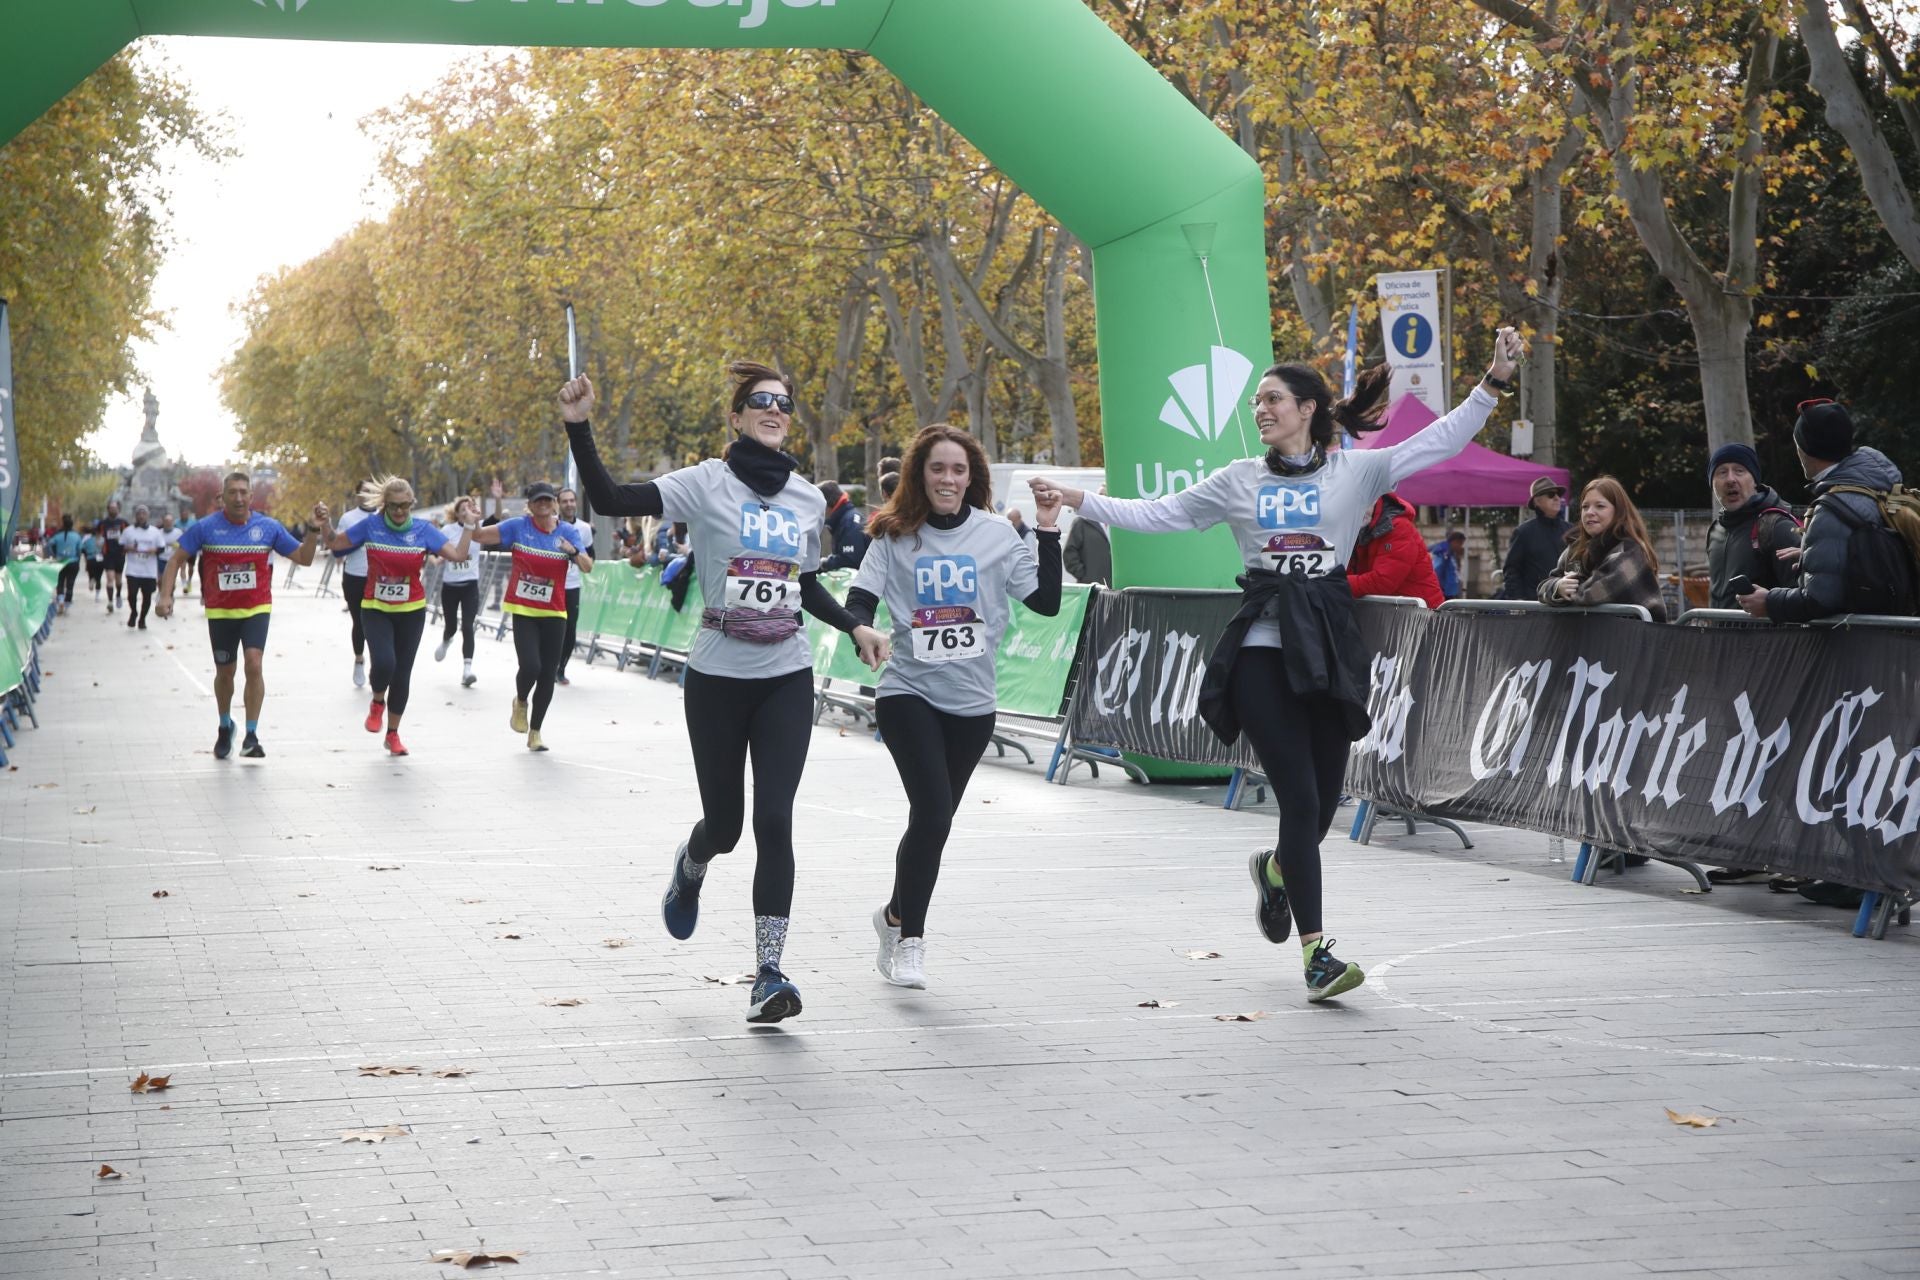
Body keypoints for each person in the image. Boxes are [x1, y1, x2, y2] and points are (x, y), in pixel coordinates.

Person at [1032, 326, 1524, 1002]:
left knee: (1320, 808)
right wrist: (1077, 499)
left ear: (1308, 409)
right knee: (1296, 797)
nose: (1260, 410)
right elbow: (1156, 513)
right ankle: (1317, 957)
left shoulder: (1358, 472)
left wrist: (1491, 384)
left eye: (1273, 399)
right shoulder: (1237, 480)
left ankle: (1275, 872)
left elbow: (1435, 442)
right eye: (1257, 402)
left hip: (1325, 649)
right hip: (1262, 654)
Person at [561, 360, 888, 1024]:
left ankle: (769, 973)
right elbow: (615, 499)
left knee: (774, 819)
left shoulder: (805, 497)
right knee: (728, 827)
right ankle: (691, 862)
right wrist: (579, 426)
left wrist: (855, 626)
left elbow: (801, 584)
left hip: (785, 673)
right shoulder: (704, 482)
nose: (775, 410)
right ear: (736, 417)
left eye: (785, 403)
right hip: (715, 676)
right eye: (760, 401)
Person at [849, 426, 1061, 989]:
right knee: (933, 813)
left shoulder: (995, 533)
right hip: (907, 692)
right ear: (920, 474)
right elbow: (861, 596)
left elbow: (1044, 600)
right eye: (938, 469)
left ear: (973, 478)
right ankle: (911, 941)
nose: (948, 479)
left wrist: (1046, 529)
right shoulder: (893, 535)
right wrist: (863, 627)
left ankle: (892, 914)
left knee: (934, 825)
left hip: (973, 703)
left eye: (959, 470)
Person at [155, 471, 330, 759]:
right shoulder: (206, 528)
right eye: (232, 492)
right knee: (225, 673)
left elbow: (305, 558)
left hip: (256, 608)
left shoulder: (268, 527)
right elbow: (175, 560)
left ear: (251, 496)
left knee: (254, 663)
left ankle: (251, 734)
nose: (238, 497)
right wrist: (165, 596)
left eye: (242, 492)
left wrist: (312, 530)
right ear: (222, 497)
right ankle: (225, 726)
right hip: (220, 611)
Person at [329, 477, 474, 756]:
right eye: (394, 506)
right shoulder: (371, 525)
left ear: (412, 504)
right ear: (384, 504)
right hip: (375, 608)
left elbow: (457, 554)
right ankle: (376, 702)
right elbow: (337, 545)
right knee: (385, 663)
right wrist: (322, 525)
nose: (399, 512)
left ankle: (392, 734)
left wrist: (468, 526)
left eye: (405, 506)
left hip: (411, 611)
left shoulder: (422, 530)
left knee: (402, 673)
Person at [1739, 400, 1911, 622]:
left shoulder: (1832, 509)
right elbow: (1877, 556)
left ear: (1806, 450)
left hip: (1861, 647)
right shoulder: (1878, 485)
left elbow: (1820, 600)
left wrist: (1769, 601)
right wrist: (1817, 555)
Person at [467, 483, 590, 751]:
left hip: (555, 611)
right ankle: (521, 700)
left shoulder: (568, 531)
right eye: (538, 501)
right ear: (530, 505)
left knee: (548, 674)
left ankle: (535, 732)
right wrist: (472, 521)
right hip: (523, 609)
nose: (543, 505)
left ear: (555, 503)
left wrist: (572, 552)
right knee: (531, 666)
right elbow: (478, 537)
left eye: (548, 500)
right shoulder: (518, 527)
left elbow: (588, 566)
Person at [1538, 476, 1668, 622]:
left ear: (1618, 512)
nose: (1589, 512)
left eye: (1600, 506)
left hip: (1634, 639)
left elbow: (1591, 594)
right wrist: (1557, 587)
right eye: (1585, 507)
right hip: (1590, 640)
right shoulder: (1576, 550)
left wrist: (1561, 592)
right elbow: (1545, 586)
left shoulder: (1629, 550)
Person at [1705, 443, 1801, 610]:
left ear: (1755, 480)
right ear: (1712, 484)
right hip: (1718, 636)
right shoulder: (1715, 529)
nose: (1730, 479)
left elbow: (1803, 598)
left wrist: (1771, 604)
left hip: (1766, 636)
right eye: (1721, 472)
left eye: (1739, 471)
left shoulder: (1778, 527)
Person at [1348, 492, 1444, 608]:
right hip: (1396, 614)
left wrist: (1336, 583)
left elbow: (1383, 582)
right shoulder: (1358, 529)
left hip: (1422, 617)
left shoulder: (1399, 528)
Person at [433, 496, 484, 688]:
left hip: (470, 584)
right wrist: (438, 559)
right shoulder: (448, 530)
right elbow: (439, 552)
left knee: (468, 626)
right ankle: (447, 639)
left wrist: (496, 499)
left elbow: (496, 519)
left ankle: (467, 670)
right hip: (451, 586)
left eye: (470, 508)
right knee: (452, 626)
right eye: (463, 509)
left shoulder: (478, 528)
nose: (467, 511)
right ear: (457, 514)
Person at [1499, 477, 1571, 600]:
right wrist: (1518, 601)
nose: (1557, 498)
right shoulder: (1523, 532)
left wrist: (1576, 583)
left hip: (1566, 604)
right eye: (1551, 494)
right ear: (1537, 501)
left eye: (1558, 494)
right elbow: (1511, 570)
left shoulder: (1570, 530)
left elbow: (1577, 562)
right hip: (1535, 605)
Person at [335, 488, 377, 688]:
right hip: (355, 576)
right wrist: (360, 538)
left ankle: (378, 665)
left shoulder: (384, 516)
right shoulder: (348, 518)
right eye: (364, 491)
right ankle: (359, 659)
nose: (368, 494)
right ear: (358, 495)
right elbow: (338, 548)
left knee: (379, 624)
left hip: (379, 579)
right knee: (359, 623)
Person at [554, 487, 594, 686]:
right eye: (565, 501)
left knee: (570, 629)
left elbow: (590, 557)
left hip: (572, 584)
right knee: (552, 627)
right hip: (552, 584)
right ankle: (549, 664)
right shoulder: (552, 525)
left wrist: (575, 553)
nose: (569, 504)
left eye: (572, 501)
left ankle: (560, 669)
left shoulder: (584, 528)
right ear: (558, 504)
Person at [119, 505, 168, 629]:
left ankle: (142, 618)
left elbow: (162, 548)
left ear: (147, 515)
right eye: (139, 513)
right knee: (132, 595)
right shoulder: (128, 531)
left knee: (147, 596)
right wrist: (128, 548)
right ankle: (134, 612)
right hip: (133, 569)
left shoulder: (155, 532)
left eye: (144, 513)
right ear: (135, 516)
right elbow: (120, 547)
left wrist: (154, 550)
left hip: (149, 570)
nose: (141, 516)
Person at [1063, 490, 1113, 585]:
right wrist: (1085, 576)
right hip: (1091, 588)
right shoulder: (1082, 522)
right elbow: (1069, 554)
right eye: (1101, 498)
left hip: (1113, 588)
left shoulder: (1117, 524)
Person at [819, 480, 871, 571]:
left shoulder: (849, 523)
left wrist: (825, 563)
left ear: (825, 504)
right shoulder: (847, 518)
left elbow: (850, 560)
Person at [45, 516, 84, 614]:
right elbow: (80, 550)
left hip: (60, 563)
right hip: (73, 562)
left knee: (60, 583)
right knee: (70, 584)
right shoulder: (76, 536)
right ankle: (67, 604)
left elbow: (48, 545)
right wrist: (78, 559)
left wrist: (52, 555)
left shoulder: (57, 536)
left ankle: (61, 600)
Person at [97, 501, 128, 612]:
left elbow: (128, 535)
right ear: (108, 509)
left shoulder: (123, 522)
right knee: (110, 578)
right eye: (111, 508)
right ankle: (110, 602)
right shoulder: (103, 523)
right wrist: (99, 544)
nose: (113, 510)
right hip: (108, 554)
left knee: (118, 580)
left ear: (118, 509)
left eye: (115, 508)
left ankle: (118, 595)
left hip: (120, 554)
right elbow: (99, 536)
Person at [1429, 528, 1466, 600]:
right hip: (1445, 592)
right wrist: (1440, 588)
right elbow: (1437, 570)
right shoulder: (1443, 552)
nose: (1461, 547)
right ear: (1454, 542)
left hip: (1450, 591)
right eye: (1460, 544)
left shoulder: (1451, 553)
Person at [81, 527, 104, 599]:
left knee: (91, 574)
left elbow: (82, 550)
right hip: (100, 559)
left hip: (90, 559)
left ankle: (91, 579)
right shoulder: (103, 540)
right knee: (99, 578)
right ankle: (97, 595)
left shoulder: (87, 541)